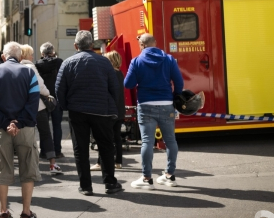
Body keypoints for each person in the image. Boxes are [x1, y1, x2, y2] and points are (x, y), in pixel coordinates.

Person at [55, 30, 122, 196]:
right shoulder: (104, 62)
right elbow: (114, 88)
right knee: (106, 146)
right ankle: (110, 183)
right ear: (92, 44)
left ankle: (86, 186)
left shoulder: (68, 63)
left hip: (78, 111)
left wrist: (66, 106)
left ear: (75, 46)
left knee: (81, 149)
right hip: (102, 111)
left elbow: (59, 89)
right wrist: (110, 104)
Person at [0, 42, 41, 218]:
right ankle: (26, 213)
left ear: (3, 56)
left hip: (1, 130)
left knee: (1, 170)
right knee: (28, 170)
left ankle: (3, 212)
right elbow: (33, 102)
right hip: (25, 129)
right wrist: (18, 122)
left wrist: (6, 123)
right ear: (21, 57)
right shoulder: (29, 72)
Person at [125, 33, 183, 190]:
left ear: (142, 45)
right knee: (170, 140)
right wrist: (175, 97)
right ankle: (170, 176)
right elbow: (179, 81)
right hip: (166, 103)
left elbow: (128, 84)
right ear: (155, 43)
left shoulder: (136, 61)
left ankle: (147, 179)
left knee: (147, 142)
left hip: (146, 104)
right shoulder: (169, 59)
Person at [20, 44, 63, 176]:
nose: (33, 56)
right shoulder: (31, 67)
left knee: (25, 135)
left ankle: (26, 165)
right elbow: (40, 86)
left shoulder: (19, 66)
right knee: (46, 132)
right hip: (38, 105)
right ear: (27, 55)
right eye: (31, 54)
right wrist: (48, 94)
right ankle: (52, 163)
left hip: (22, 107)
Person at [91, 51, 125, 171]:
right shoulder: (120, 73)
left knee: (104, 138)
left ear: (110, 61)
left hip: (110, 110)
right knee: (117, 137)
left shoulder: (111, 73)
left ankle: (100, 163)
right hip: (119, 110)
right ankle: (118, 162)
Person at [35, 42, 64, 158]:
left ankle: (45, 151)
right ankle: (57, 151)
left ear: (42, 53)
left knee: (44, 127)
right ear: (53, 52)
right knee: (57, 125)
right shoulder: (59, 62)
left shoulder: (37, 64)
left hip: (43, 98)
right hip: (56, 98)